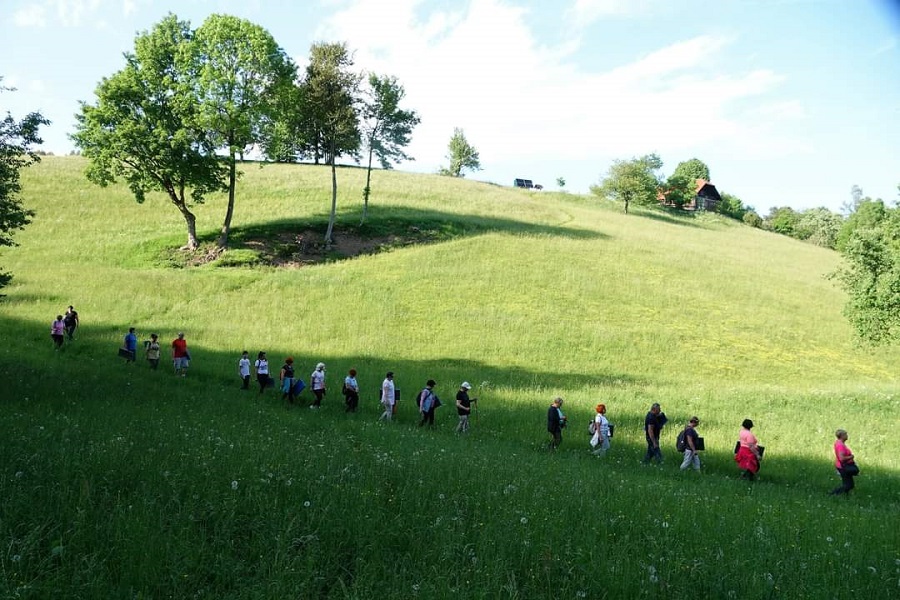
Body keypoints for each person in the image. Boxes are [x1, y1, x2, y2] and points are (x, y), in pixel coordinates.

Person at [829, 429, 859, 495]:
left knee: (849, 484)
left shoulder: (838, 442)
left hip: (842, 466)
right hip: (843, 467)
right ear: (842, 436)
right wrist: (851, 457)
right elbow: (842, 458)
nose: (847, 435)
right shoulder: (840, 445)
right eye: (845, 434)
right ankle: (833, 494)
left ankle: (844, 496)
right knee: (848, 485)